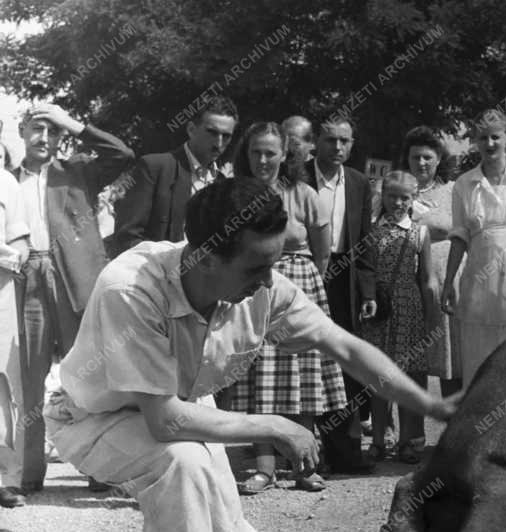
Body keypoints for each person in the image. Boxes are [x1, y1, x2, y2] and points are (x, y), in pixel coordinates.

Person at [44, 177, 458, 532]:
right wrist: (275, 425)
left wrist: (433, 406)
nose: (269, 282)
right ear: (205, 257)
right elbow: (165, 423)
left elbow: (345, 347)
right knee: (184, 467)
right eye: (257, 267)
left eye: (274, 263)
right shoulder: (131, 286)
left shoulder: (261, 286)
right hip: (93, 417)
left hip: (184, 415)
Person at [13, 103, 134, 494]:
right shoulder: (6, 180)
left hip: (73, 281)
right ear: (21, 131)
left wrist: (73, 123)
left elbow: (122, 154)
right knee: (28, 376)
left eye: (52, 131)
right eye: (36, 129)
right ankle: (27, 474)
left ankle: (98, 470)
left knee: (86, 374)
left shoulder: (77, 172)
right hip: (22, 277)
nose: (43, 137)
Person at [227, 122, 343, 494]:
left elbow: (323, 251)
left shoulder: (304, 193)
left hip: (299, 282)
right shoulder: (238, 193)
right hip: (253, 284)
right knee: (257, 373)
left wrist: (305, 286)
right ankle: (264, 469)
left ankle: (304, 467)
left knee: (301, 375)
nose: (263, 160)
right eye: (255, 152)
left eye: (270, 153)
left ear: (284, 155)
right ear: (246, 155)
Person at [441, 109, 506, 384]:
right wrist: (448, 282)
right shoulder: (464, 183)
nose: (490, 144)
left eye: (496, 137)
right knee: (479, 354)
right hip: (479, 275)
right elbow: (459, 237)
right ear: (475, 141)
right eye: (483, 138)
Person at [306, 118, 377, 472]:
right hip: (304, 273)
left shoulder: (359, 182)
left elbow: (364, 239)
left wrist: (368, 289)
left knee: (344, 364)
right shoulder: (298, 177)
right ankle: (303, 450)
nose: (337, 148)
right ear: (317, 141)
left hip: (344, 279)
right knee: (305, 359)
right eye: (330, 140)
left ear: (352, 144)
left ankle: (343, 450)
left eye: (344, 141)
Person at [361, 172, 431, 463]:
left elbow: (427, 278)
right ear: (383, 196)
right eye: (392, 196)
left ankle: (406, 441)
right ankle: (378, 439)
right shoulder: (371, 232)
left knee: (406, 378)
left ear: (414, 198)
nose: (398, 202)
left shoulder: (420, 233)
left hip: (409, 310)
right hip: (379, 310)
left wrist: (431, 316)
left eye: (405, 197)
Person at [111, 95, 237, 255]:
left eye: (226, 136)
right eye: (212, 132)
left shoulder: (223, 185)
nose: (219, 143)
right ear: (191, 129)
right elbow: (126, 238)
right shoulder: (155, 168)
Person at [402, 126, 461, 398]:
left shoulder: (454, 190)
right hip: (407, 287)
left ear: (438, 158)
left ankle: (453, 427)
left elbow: (464, 229)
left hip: (447, 284)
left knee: (450, 360)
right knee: (410, 361)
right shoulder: (396, 191)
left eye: (427, 157)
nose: (421, 163)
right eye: (415, 157)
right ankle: (411, 436)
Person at [0, 157, 30, 509]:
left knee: (1, 383)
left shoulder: (6, 182)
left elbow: (20, 246)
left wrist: (9, 257)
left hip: (0, 293)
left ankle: (3, 478)